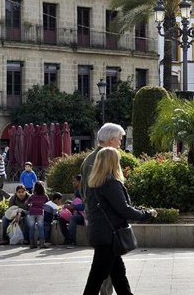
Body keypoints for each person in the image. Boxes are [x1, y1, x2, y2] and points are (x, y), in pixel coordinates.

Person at [82, 147, 157, 295]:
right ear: (112, 162)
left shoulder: (93, 184)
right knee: (96, 279)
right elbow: (123, 209)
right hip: (110, 237)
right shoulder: (110, 183)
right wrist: (147, 214)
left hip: (101, 235)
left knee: (118, 275)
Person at [80, 123, 125, 295]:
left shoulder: (91, 158)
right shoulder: (101, 159)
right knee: (104, 268)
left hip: (101, 220)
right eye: (119, 139)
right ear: (112, 140)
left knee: (113, 268)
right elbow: (94, 193)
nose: (120, 143)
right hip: (105, 222)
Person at [26, 181, 49, 249]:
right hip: (40, 212)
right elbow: (47, 203)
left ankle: (32, 244)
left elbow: (27, 203)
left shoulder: (32, 196)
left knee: (32, 228)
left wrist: (30, 205)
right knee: (41, 228)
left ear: (34, 188)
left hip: (32, 212)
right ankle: (42, 244)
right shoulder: (45, 196)